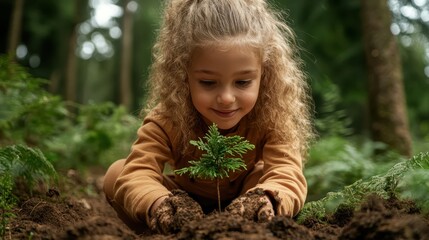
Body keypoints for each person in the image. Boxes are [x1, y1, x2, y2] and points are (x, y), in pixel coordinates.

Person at [103, 0, 314, 234]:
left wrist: (266, 199)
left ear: (265, 75)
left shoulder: (271, 118)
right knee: (117, 173)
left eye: (242, 82)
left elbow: (287, 173)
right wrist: (160, 204)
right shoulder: (168, 118)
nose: (226, 98)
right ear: (184, 75)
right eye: (208, 82)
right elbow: (138, 172)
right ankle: (166, 233)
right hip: (181, 210)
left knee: (265, 177)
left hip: (246, 213)